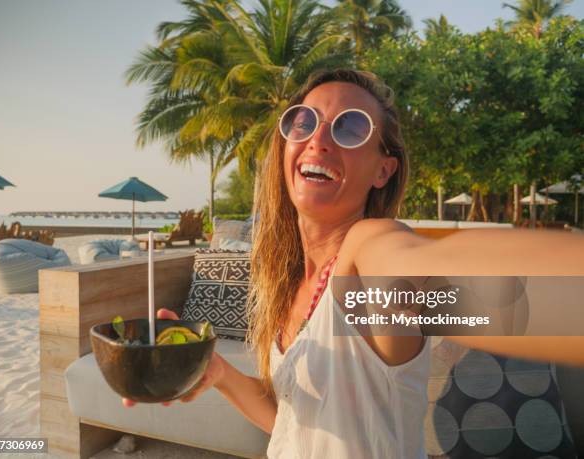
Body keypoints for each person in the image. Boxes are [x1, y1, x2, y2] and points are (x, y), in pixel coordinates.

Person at [124, 69, 584, 458]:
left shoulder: (367, 257)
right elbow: (291, 422)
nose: (318, 139)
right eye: (303, 122)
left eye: (349, 129)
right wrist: (219, 375)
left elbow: (434, 278)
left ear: (383, 169)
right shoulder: (287, 286)